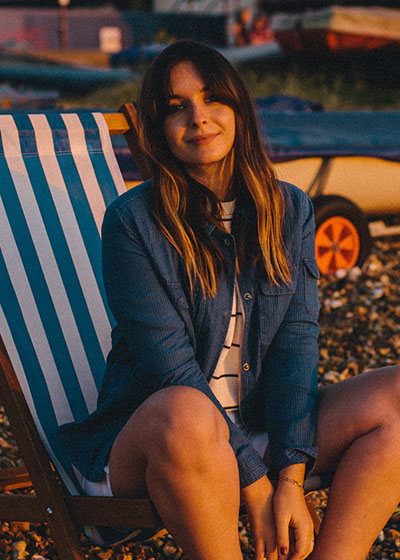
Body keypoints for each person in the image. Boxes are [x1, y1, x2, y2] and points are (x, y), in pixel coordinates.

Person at [53, 40, 400, 560]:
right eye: (176, 107)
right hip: (155, 449)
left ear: (238, 108)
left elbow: (295, 347)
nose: (198, 117)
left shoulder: (290, 210)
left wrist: (287, 479)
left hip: (255, 432)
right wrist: (257, 488)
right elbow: (168, 371)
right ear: (158, 126)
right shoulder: (133, 223)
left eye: (212, 98)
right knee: (187, 411)